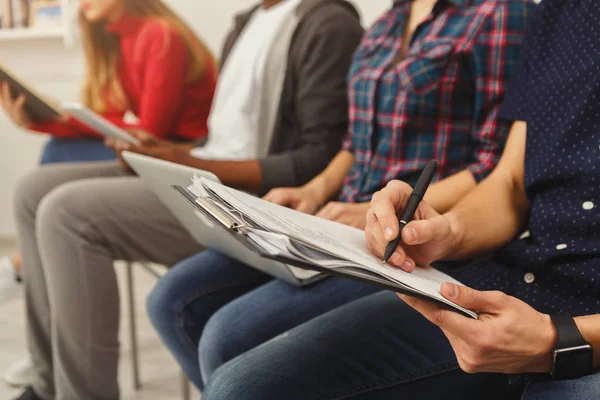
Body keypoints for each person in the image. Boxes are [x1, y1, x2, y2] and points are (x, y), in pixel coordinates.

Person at [198, 0, 600, 399]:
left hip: (584, 319)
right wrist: (449, 230)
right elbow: (510, 182)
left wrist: (558, 338)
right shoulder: (559, 14)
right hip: (520, 282)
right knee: (242, 385)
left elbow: (485, 161)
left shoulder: (504, 14)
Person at [11, 0, 364, 398]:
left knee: (67, 213)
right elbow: (224, 138)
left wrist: (191, 160)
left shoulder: (328, 25)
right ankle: (45, 385)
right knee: (31, 191)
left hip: (245, 197)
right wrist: (171, 151)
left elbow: (317, 158)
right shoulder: (247, 22)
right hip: (205, 168)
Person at [1, 0, 217, 389]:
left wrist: (51, 121)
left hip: (184, 159)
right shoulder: (113, 38)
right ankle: (46, 373)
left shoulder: (159, 36)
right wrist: (42, 122)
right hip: (149, 149)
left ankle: (19, 270)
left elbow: (148, 130)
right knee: (33, 185)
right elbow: (117, 119)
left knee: (58, 183)